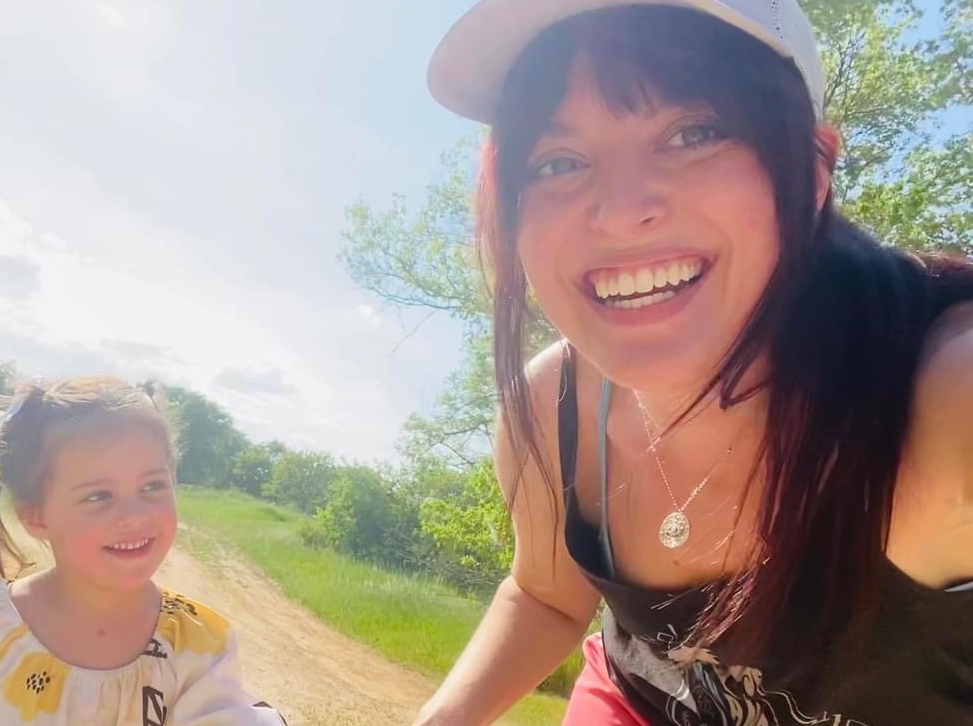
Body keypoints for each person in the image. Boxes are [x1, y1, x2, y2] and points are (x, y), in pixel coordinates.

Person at [416, 0, 973, 724]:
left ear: (813, 170)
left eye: (693, 132)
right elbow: (545, 596)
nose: (620, 212)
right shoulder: (556, 406)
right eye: (557, 161)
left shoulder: (943, 397)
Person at [0, 377, 286, 726]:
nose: (135, 515)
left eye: (152, 486)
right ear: (37, 517)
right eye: (99, 495)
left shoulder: (198, 643)